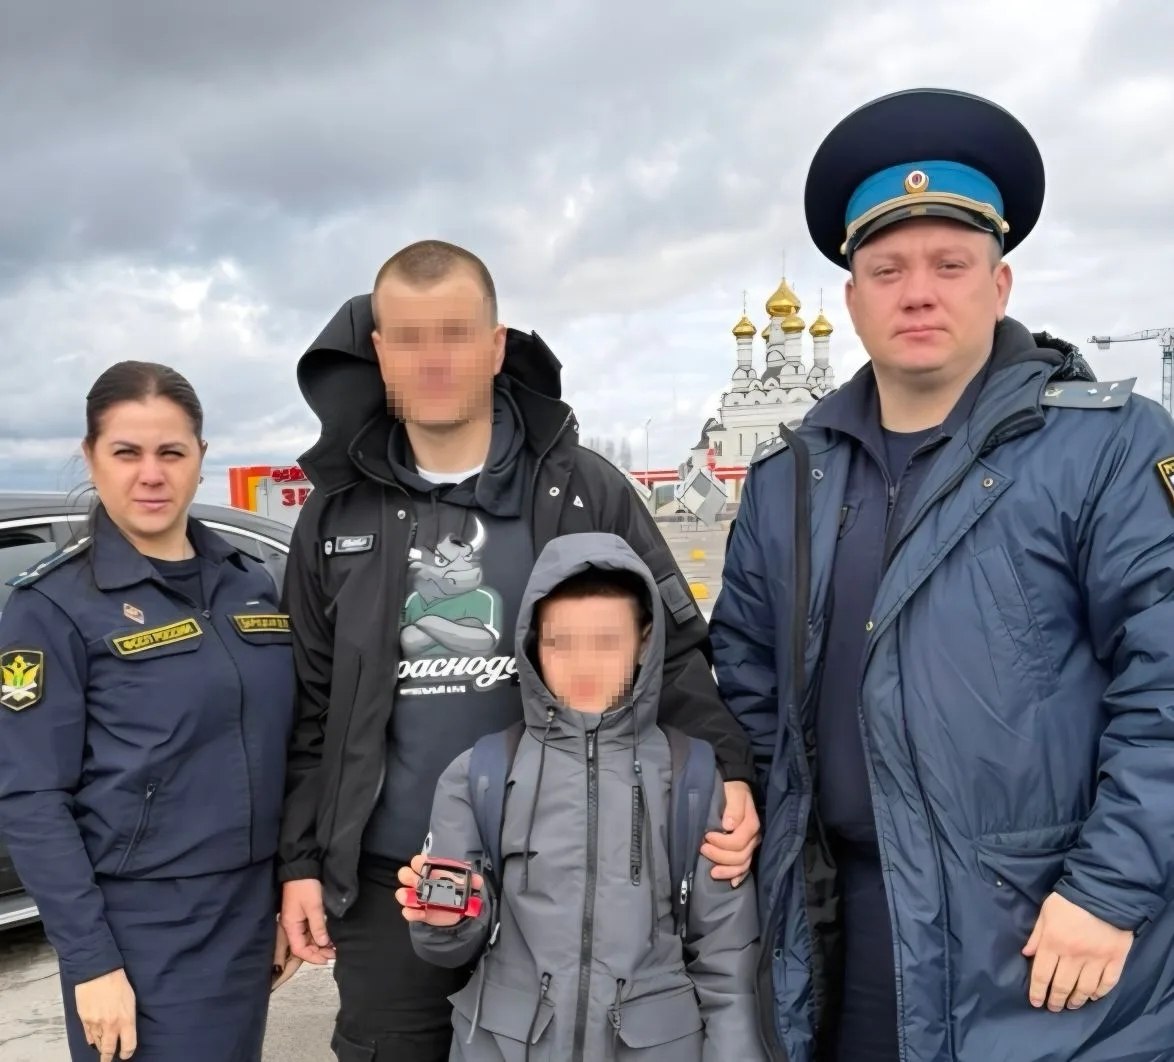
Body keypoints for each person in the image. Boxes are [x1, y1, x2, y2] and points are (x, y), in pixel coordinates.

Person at [710, 87, 1174, 1062]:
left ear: (998, 285)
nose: (916, 292)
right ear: (850, 301)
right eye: (886, 270)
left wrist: (1109, 890)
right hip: (836, 938)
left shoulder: (1108, 448)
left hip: (1047, 948)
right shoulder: (788, 479)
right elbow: (745, 684)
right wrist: (739, 796)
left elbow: (1165, 684)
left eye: (949, 265)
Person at [276, 240, 762, 1061]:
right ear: (381, 352)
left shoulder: (583, 490)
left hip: (564, 885)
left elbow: (672, 651)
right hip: (399, 884)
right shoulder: (335, 516)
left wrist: (732, 771)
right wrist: (298, 862)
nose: (435, 360)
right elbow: (311, 706)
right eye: (411, 338)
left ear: (497, 345)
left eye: (457, 333)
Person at [0, 361, 301, 1062]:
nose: (151, 475)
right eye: (126, 452)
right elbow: (32, 797)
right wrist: (91, 962)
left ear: (201, 456)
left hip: (248, 912)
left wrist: (283, 888)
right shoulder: (50, 608)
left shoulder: (248, 584)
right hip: (140, 929)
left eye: (171, 452)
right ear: (91, 457)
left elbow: (281, 749)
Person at [396, 532, 767, 1062]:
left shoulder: (693, 775)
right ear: (533, 647)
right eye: (560, 643)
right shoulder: (478, 773)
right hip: (504, 1046)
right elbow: (453, 945)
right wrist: (444, 922)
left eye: (607, 642)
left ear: (644, 642)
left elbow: (727, 957)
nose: (583, 664)